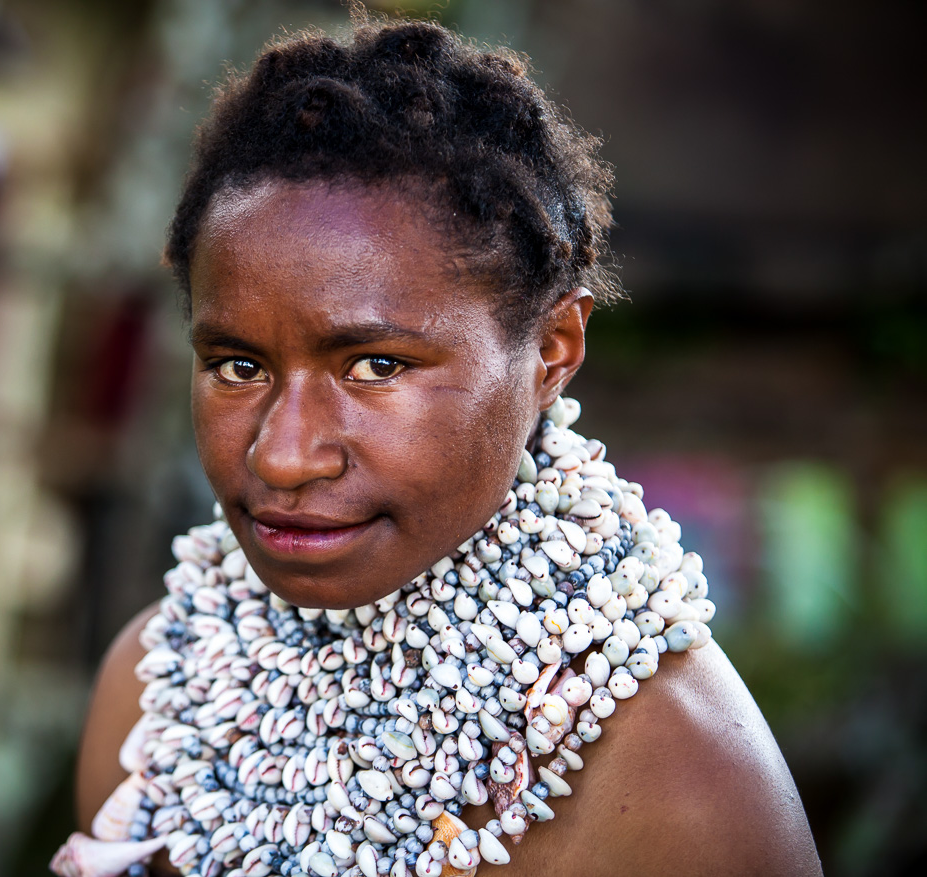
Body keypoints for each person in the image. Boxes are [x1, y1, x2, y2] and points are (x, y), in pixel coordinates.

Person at [62, 17, 822, 877]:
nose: (281, 455)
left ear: (553, 349)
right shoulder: (158, 696)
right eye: (238, 365)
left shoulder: (671, 776)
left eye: (376, 365)